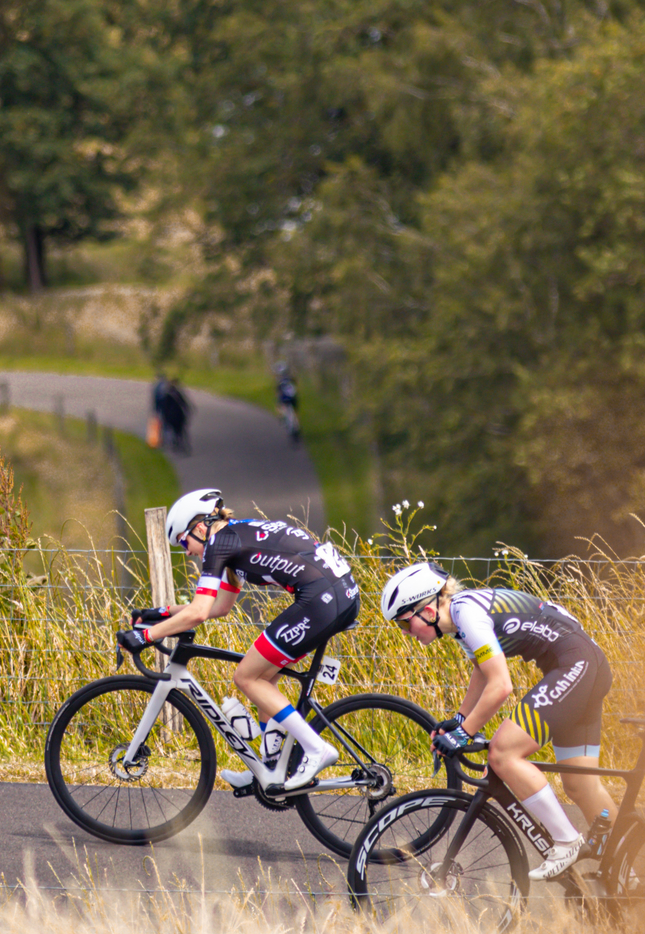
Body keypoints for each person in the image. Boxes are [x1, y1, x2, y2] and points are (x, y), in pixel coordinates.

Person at [378, 560, 613, 880]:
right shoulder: (459, 619)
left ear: (428, 612)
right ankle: (626, 868)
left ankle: (567, 841)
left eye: (406, 624)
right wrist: (460, 720)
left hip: (575, 665)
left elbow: (501, 685)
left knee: (503, 753)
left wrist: (463, 734)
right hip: (585, 664)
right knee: (580, 783)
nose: (407, 633)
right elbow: (481, 670)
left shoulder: (467, 616)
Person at [126, 488, 357, 793]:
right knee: (264, 676)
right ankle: (272, 767)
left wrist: (144, 635)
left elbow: (198, 612)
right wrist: (158, 613)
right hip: (337, 593)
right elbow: (219, 606)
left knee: (246, 676)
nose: (187, 551)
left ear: (199, 528)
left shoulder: (218, 544)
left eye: (184, 542)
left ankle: (316, 749)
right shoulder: (235, 534)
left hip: (322, 598)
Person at [274, 360, 301, 444]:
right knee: (295, 411)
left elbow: (278, 392)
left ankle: (282, 417)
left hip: (284, 399)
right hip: (293, 398)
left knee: (281, 407)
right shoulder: (291, 379)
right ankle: (296, 425)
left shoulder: (279, 381)